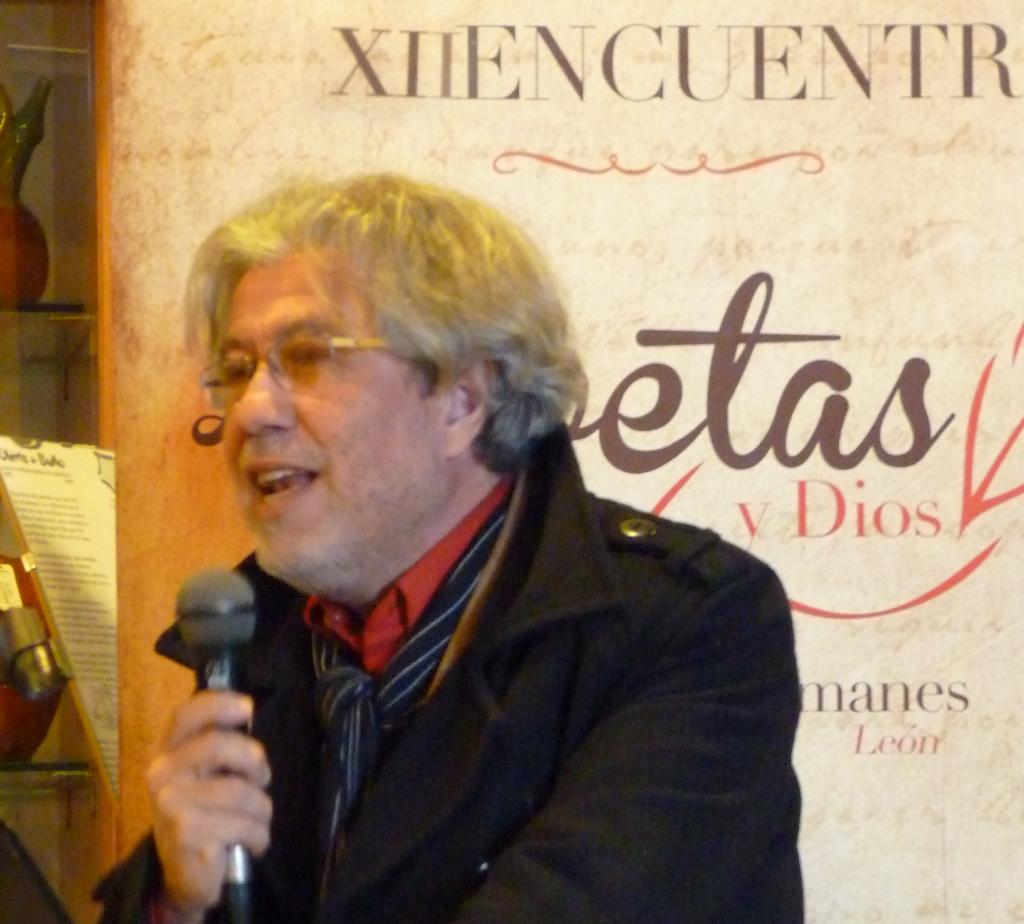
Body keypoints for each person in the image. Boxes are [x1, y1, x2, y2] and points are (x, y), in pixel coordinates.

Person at [96, 174, 803, 924]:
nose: (251, 411)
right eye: (237, 371)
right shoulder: (257, 642)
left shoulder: (689, 625)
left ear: (462, 402)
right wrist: (175, 901)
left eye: (306, 357)